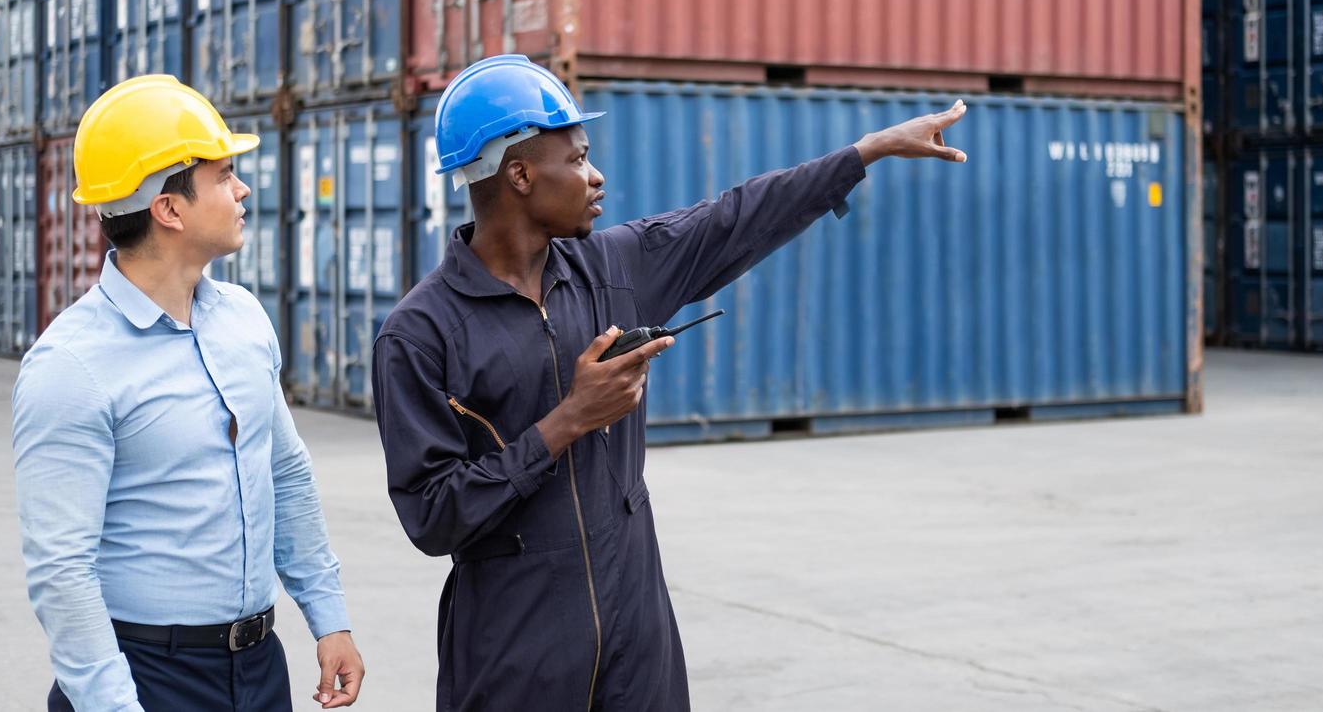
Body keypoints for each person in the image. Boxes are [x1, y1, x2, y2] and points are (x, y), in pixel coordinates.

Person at [371, 54, 967, 710]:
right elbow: (431, 516)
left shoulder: (612, 269)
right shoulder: (420, 334)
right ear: (518, 174)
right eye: (575, 160)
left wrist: (865, 152)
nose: (596, 177)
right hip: (515, 650)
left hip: (637, 639)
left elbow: (734, 218)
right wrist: (567, 420)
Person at [12, 75, 366, 711]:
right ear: (169, 209)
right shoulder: (70, 367)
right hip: (146, 676)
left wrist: (328, 615)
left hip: (259, 668)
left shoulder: (244, 319)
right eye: (225, 175)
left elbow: (284, 473)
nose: (243, 189)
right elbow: (61, 571)